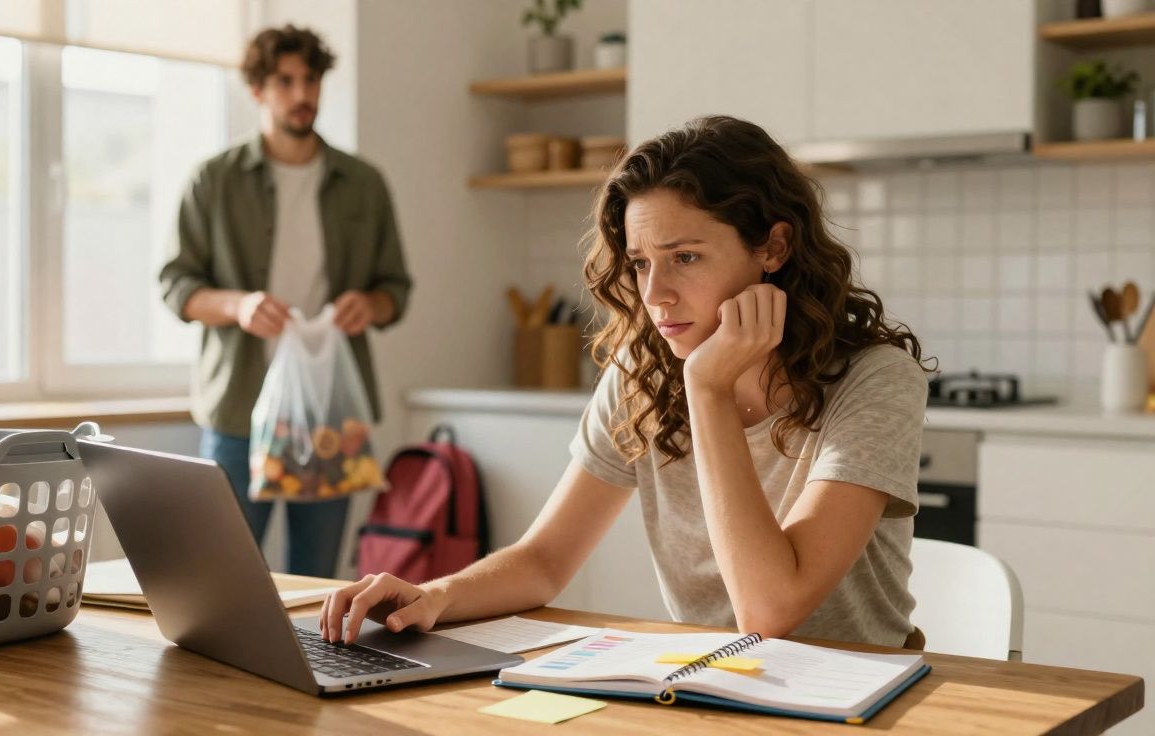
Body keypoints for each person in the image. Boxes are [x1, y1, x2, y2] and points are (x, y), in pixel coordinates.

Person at [321, 115, 930, 648]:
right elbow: (544, 560)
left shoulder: (874, 382)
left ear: (773, 246)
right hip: (711, 684)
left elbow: (769, 612)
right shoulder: (642, 374)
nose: (655, 295)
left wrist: (709, 390)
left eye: (685, 257)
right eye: (641, 263)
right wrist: (434, 596)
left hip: (858, 696)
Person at [159, 25, 411, 578]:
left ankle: (314, 668)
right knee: (224, 577)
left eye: (311, 80)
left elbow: (397, 289)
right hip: (237, 411)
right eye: (285, 81)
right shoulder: (214, 181)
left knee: (318, 585)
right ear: (257, 90)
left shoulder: (363, 183)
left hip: (331, 415)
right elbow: (176, 285)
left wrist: (370, 306)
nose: (302, 94)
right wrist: (238, 307)